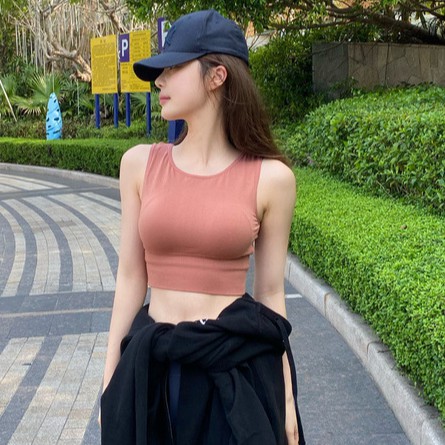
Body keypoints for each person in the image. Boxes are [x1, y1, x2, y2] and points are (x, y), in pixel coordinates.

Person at [100, 9, 305, 445]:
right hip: (151, 372)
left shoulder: (272, 179)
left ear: (217, 76)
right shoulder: (139, 164)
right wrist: (110, 380)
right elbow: (131, 277)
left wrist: (287, 398)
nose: (160, 80)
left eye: (173, 68)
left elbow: (270, 295)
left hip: (235, 376)